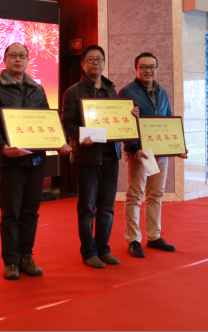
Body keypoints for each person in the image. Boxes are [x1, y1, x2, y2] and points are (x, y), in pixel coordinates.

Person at [0, 43, 71, 280]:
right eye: (13, 56)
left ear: (28, 60)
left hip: (37, 160)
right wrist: (3, 146)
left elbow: (48, 121)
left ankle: (26, 256)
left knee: (31, 212)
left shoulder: (37, 89)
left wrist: (59, 142)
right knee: (11, 213)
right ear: (5, 59)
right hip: (10, 161)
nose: (18, 59)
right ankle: (11, 261)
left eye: (22, 56)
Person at [61, 45, 138, 269]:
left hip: (111, 158)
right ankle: (88, 251)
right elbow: (67, 123)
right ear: (83, 64)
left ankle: (103, 248)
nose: (96, 63)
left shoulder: (111, 90)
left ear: (104, 63)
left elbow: (118, 121)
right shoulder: (73, 92)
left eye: (100, 59)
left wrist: (131, 116)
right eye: (91, 59)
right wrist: (81, 135)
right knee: (87, 208)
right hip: (87, 158)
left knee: (107, 208)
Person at [118, 52, 188, 258]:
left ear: (157, 69)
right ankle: (133, 240)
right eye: (144, 67)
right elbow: (124, 125)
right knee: (135, 196)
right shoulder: (127, 92)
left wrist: (178, 146)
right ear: (136, 69)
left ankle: (154, 236)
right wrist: (134, 148)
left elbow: (168, 120)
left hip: (160, 152)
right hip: (140, 152)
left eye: (152, 67)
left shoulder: (162, 91)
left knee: (156, 195)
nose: (149, 70)